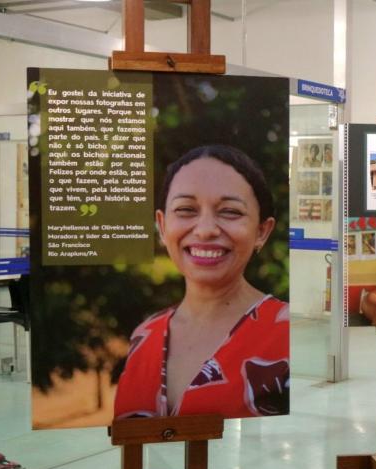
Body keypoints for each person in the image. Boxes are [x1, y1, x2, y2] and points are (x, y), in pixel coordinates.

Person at [114, 145, 289, 419]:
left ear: (262, 232)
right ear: (162, 226)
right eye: (185, 209)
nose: (206, 230)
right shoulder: (144, 335)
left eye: (230, 212)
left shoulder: (289, 332)